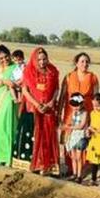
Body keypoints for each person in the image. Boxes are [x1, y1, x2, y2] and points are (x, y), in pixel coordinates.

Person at [59, 52, 99, 175]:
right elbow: (62, 96)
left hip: (86, 113)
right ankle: (70, 168)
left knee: (83, 140)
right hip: (70, 113)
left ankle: (82, 170)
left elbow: (96, 98)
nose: (85, 64)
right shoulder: (68, 77)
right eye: (82, 61)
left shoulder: (93, 77)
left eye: (87, 61)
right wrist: (58, 114)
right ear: (76, 63)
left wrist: (96, 117)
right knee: (69, 139)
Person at [22, 47, 60, 175]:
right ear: (34, 59)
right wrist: (37, 104)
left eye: (44, 59)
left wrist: (51, 102)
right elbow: (25, 91)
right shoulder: (28, 71)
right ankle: (36, 164)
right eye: (39, 60)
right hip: (34, 109)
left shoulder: (53, 71)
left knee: (48, 136)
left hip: (49, 109)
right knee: (36, 135)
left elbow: (56, 89)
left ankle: (47, 166)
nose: (42, 62)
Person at [0, 45, 18, 166]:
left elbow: (20, 84)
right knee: (0, 128)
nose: (4, 60)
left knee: (10, 127)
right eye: (1, 58)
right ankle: (0, 156)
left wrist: (12, 84)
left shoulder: (16, 67)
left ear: (9, 55)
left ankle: (9, 157)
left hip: (10, 100)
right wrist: (3, 82)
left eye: (6, 57)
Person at [64, 93, 89, 183]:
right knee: (73, 156)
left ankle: (79, 175)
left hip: (80, 135)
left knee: (79, 157)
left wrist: (70, 127)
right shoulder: (73, 112)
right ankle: (74, 173)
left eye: (77, 106)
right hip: (73, 135)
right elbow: (71, 122)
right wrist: (68, 134)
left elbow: (81, 125)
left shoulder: (85, 113)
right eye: (73, 106)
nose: (75, 108)